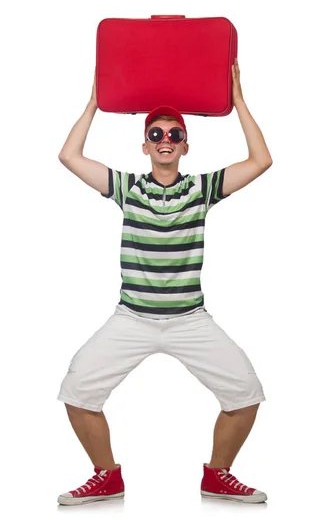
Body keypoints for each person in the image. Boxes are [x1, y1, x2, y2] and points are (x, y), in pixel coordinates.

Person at [56, 60, 272, 506]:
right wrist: (94, 103)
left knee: (246, 394)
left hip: (188, 318)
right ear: (145, 146)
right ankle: (106, 476)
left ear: (186, 146)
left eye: (175, 134)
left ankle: (218, 475)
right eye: (157, 134)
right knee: (76, 392)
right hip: (132, 317)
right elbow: (69, 156)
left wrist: (239, 102)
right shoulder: (127, 188)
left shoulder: (201, 189)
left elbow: (261, 160)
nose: (166, 140)